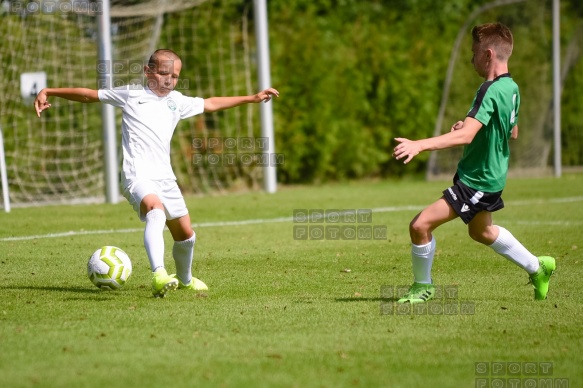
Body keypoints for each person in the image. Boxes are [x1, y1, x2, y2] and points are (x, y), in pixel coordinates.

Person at [34, 49, 279, 298]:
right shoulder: (132, 94)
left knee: (186, 235)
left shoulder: (177, 101)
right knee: (156, 211)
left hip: (165, 178)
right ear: (148, 71)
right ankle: (159, 274)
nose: (169, 80)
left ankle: (184, 279)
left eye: (174, 76)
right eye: (164, 73)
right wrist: (50, 91)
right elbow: (89, 95)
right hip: (137, 174)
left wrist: (252, 98)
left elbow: (211, 103)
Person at [392, 23, 555, 303]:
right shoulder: (512, 87)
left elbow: (468, 135)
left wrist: (419, 144)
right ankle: (538, 267)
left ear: (488, 54)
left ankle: (422, 287)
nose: (472, 59)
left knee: (420, 226)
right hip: (491, 177)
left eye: (474, 53)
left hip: (478, 180)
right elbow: (511, 131)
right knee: (481, 231)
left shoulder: (488, 89)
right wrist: (471, 126)